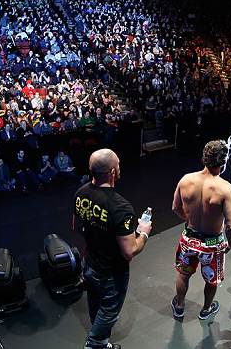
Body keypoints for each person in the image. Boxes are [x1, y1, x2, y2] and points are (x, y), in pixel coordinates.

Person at [73, 149, 152, 349]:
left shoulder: (81, 192)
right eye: (117, 164)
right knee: (109, 310)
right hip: (111, 272)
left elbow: (77, 227)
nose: (119, 167)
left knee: (94, 302)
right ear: (112, 172)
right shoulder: (120, 207)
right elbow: (129, 251)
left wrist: (98, 237)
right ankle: (95, 344)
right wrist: (143, 233)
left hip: (89, 263)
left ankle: (100, 339)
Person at [170, 140, 231, 320]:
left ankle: (179, 306)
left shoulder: (185, 180)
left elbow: (175, 208)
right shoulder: (226, 189)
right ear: (224, 163)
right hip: (212, 244)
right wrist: (229, 244)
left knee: (184, 274)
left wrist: (190, 219)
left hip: (189, 239)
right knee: (211, 279)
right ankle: (206, 309)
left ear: (204, 158)